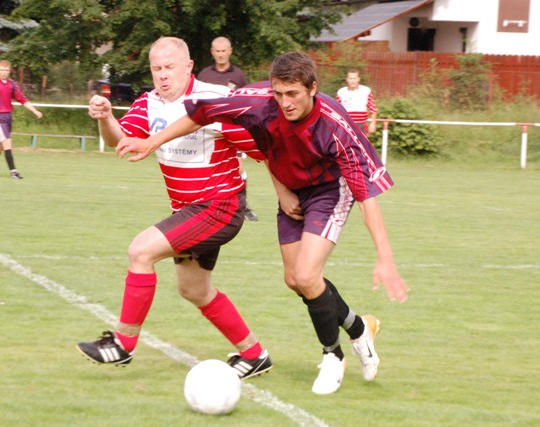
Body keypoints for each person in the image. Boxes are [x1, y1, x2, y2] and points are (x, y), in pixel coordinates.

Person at [115, 51, 409, 395]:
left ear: (313, 88)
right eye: (279, 93)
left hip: (329, 192)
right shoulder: (259, 101)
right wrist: (152, 141)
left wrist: (385, 257)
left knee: (306, 275)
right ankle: (359, 328)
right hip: (293, 190)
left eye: (294, 94)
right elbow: (202, 113)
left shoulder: (336, 125)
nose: (285, 103)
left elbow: (366, 197)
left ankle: (333, 356)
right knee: (294, 280)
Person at [77, 37, 272, 380]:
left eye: (170, 68)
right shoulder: (148, 103)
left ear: (188, 67)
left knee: (140, 251)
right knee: (193, 289)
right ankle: (255, 355)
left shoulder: (214, 99)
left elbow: (262, 145)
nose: (163, 76)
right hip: (190, 210)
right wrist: (105, 117)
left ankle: (122, 344)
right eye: (157, 69)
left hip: (219, 206)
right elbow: (119, 140)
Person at [197, 36, 258, 221]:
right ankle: (203, 206)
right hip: (208, 131)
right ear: (212, 53)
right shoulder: (204, 75)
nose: (221, 54)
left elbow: (244, 102)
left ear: (230, 51)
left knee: (238, 168)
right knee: (205, 169)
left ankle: (243, 207)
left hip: (232, 130)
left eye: (224, 51)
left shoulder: (239, 75)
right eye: (218, 51)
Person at [0, 59, 43, 179]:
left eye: (6, 70)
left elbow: (22, 99)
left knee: (1, 145)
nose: (4, 72)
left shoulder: (12, 84)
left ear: (9, 71)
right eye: (2, 70)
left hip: (8, 116)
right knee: (7, 142)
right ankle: (14, 171)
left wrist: (35, 110)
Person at [336, 68, 378, 136]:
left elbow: (373, 108)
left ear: (358, 79)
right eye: (350, 78)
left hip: (361, 125)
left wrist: (373, 123)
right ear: (347, 79)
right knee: (346, 146)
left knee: (362, 146)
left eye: (354, 78)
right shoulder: (341, 92)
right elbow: (337, 110)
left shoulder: (366, 91)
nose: (352, 81)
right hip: (346, 125)